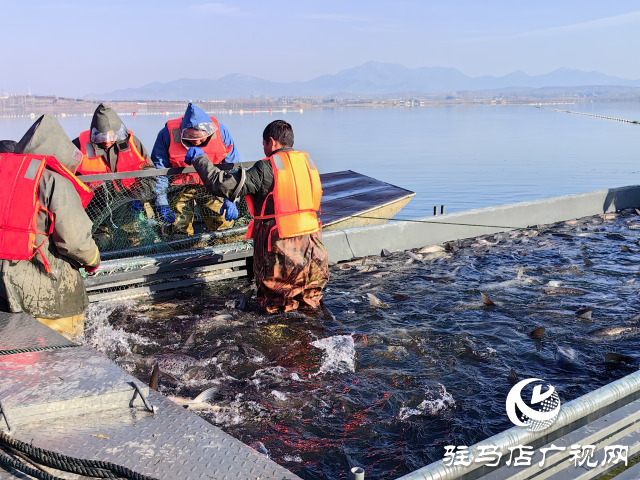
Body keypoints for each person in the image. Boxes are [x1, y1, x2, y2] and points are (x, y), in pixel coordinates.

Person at [185, 120, 328, 313]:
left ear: (271, 141)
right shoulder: (308, 163)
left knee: (278, 308)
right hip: (314, 253)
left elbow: (223, 185)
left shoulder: (266, 167)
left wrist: (200, 160)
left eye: (263, 144)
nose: (264, 148)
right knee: (310, 304)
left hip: (281, 256)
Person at [0, 115, 100, 340]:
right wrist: (92, 259)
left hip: (5, 287)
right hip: (46, 288)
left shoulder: (5, 177)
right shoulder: (52, 180)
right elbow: (74, 240)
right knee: (62, 355)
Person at [151, 103, 241, 235]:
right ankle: (187, 251)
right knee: (179, 228)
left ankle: (222, 251)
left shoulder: (221, 132)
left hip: (212, 184)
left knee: (223, 224)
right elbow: (160, 174)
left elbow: (233, 168)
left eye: (200, 138)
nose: (196, 142)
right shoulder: (167, 134)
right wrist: (162, 203)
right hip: (179, 187)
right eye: (191, 138)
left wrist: (232, 198)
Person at [72, 104, 154, 249]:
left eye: (112, 136)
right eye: (102, 136)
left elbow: (150, 172)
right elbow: (65, 177)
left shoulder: (133, 142)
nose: (108, 141)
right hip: (95, 207)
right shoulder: (78, 145)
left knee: (139, 240)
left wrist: (140, 196)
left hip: (128, 202)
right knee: (98, 244)